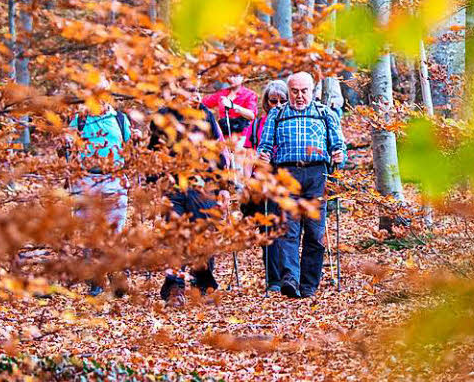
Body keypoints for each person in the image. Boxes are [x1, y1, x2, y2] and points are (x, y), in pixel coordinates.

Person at [256, 72, 346, 299]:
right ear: (289, 92)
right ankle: (290, 279)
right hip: (288, 174)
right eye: (294, 91)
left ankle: (308, 284)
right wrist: (263, 158)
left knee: (315, 232)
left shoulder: (324, 114)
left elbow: (339, 146)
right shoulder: (277, 114)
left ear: (312, 91)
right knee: (289, 229)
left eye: (304, 91)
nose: (299, 96)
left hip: (317, 174)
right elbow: (265, 145)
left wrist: (338, 156)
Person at [147, 97, 229, 305]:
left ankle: (202, 286)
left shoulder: (206, 116)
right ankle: (175, 288)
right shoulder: (162, 116)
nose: (192, 94)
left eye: (195, 88)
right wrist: (151, 183)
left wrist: (223, 187)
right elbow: (153, 153)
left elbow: (219, 153)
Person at [67, 103, 132, 296]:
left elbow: (128, 148)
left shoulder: (119, 119)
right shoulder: (79, 119)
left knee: (114, 230)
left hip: (114, 179)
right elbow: (68, 147)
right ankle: (95, 280)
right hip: (85, 179)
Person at [240, 80, 289, 291]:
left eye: (282, 100)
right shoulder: (257, 125)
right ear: (266, 102)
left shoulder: (294, 122)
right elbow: (247, 153)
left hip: (287, 179)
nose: (277, 104)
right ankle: (274, 279)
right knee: (268, 229)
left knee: (288, 229)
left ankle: (290, 275)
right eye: (273, 100)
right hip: (263, 181)